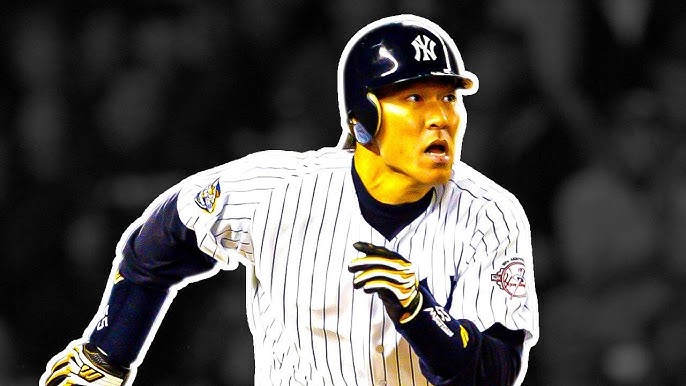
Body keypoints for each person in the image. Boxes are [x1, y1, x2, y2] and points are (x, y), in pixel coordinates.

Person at [40, 14, 539, 386]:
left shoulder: (489, 215)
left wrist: (419, 313)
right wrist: (107, 352)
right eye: (415, 99)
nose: (441, 118)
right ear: (362, 115)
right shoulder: (280, 188)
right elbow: (166, 235)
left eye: (449, 97)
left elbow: (497, 371)